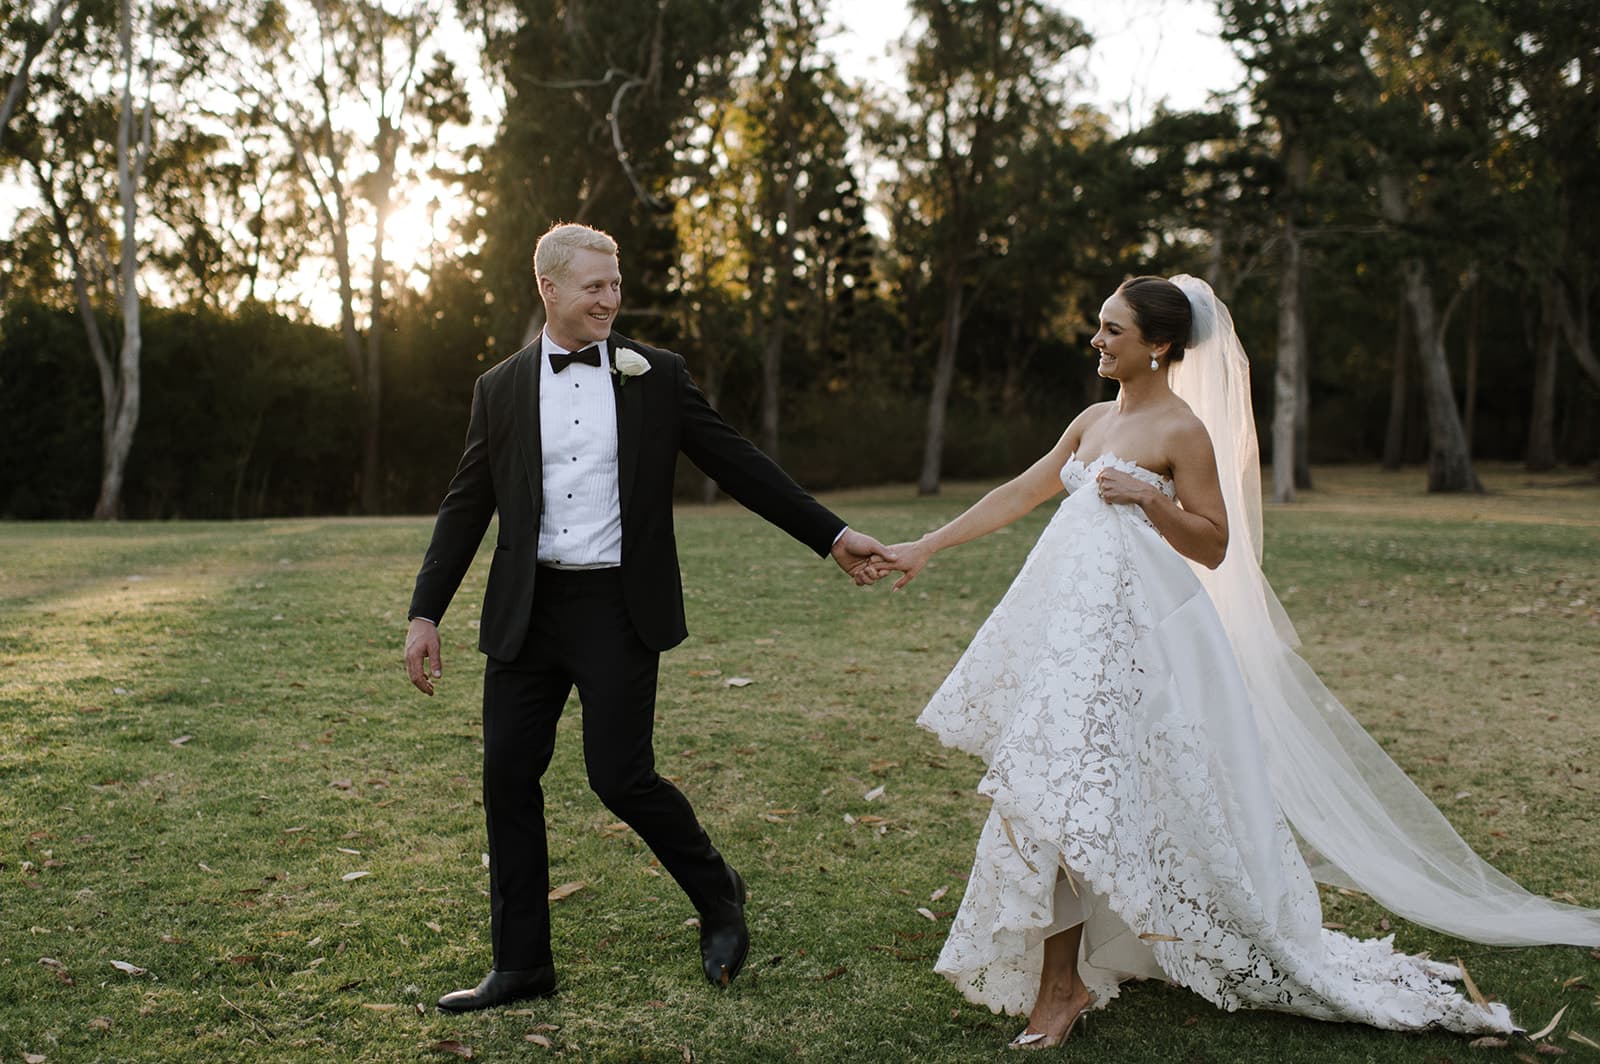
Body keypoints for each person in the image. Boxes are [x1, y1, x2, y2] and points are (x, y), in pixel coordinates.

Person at [873, 275, 1600, 1048]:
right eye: (1098, 327)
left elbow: (1216, 544)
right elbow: (1020, 492)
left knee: (1072, 800)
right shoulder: (1089, 421)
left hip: (1141, 647)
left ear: (1158, 345)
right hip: (1073, 642)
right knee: (1057, 798)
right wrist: (926, 546)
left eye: (1112, 330)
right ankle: (1066, 981)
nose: (1096, 341)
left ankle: (1064, 987)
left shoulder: (1182, 431)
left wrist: (1148, 498)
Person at [403, 222, 893, 1013]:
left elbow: (736, 461)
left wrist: (831, 534)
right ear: (549, 289)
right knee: (506, 779)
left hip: (617, 606)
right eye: (594, 286)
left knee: (619, 777)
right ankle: (522, 965)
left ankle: (718, 896)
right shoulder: (498, 388)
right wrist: (426, 612)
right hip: (527, 611)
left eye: (616, 285)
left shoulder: (654, 376)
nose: (610, 299)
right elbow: (467, 505)